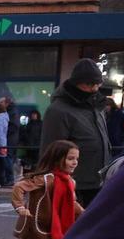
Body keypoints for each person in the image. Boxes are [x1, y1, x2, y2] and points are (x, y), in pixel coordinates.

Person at [40, 58, 110, 206]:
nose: (95, 88)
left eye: (97, 84)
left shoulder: (97, 107)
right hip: (75, 187)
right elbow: (50, 151)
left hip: (99, 183)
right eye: (90, 84)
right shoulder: (58, 110)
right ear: (76, 83)